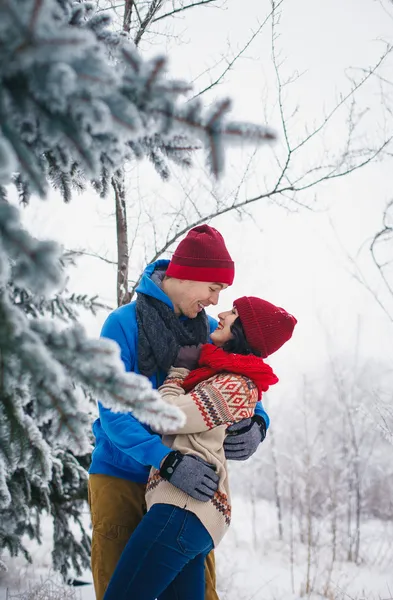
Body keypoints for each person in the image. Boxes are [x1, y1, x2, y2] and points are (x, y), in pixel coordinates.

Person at [88, 226, 270, 600]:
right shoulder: (122, 324)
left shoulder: (204, 331)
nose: (216, 300)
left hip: (186, 488)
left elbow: (239, 368)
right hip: (122, 473)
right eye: (213, 288)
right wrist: (166, 460)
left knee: (200, 591)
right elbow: (113, 411)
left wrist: (258, 422)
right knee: (120, 586)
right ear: (187, 274)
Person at [103, 296, 297, 600]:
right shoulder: (224, 375)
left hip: (182, 507)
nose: (220, 313)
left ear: (245, 331)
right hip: (191, 514)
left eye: (232, 313)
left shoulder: (232, 384)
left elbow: (165, 416)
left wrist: (178, 372)